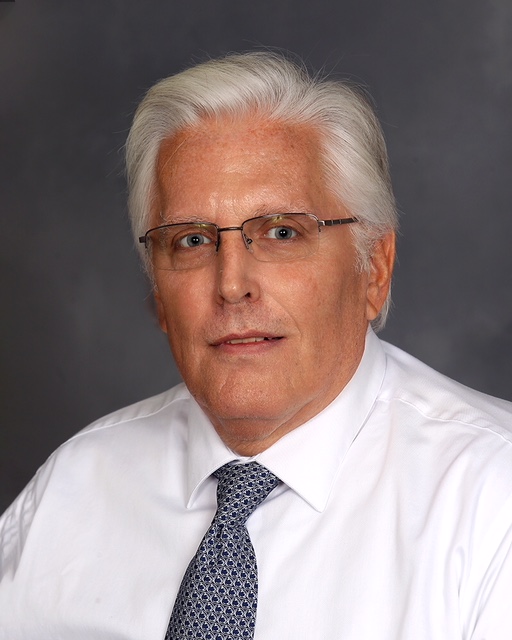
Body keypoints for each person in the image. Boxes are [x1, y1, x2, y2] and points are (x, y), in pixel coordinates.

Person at [1, 52, 511, 640]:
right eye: (191, 240)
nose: (232, 284)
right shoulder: (72, 490)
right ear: (159, 296)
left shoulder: (493, 503)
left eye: (282, 232)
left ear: (374, 269)